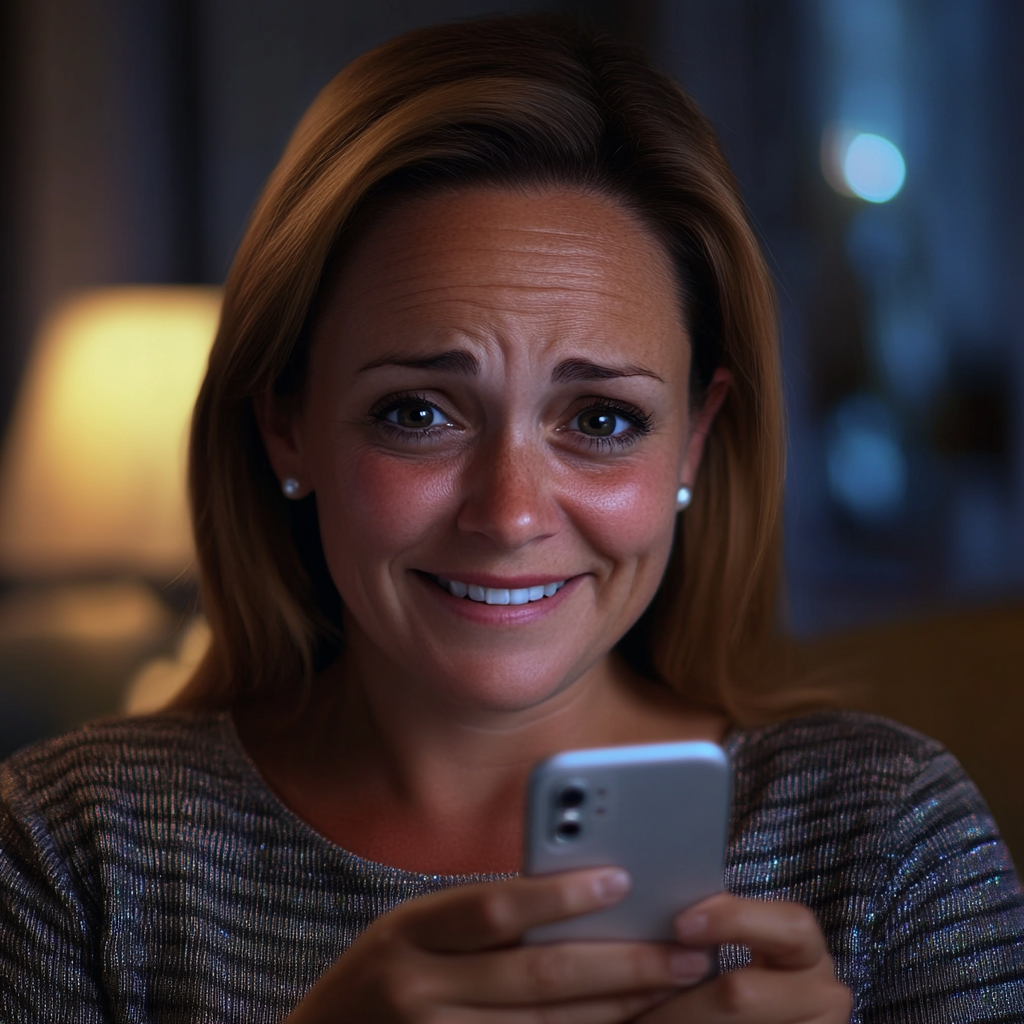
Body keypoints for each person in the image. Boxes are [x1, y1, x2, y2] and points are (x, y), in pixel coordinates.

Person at [1, 15, 1021, 1024]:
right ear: (286, 426)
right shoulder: (69, 849)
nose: (509, 512)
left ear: (694, 443)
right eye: (418, 412)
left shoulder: (886, 837)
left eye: (602, 418)